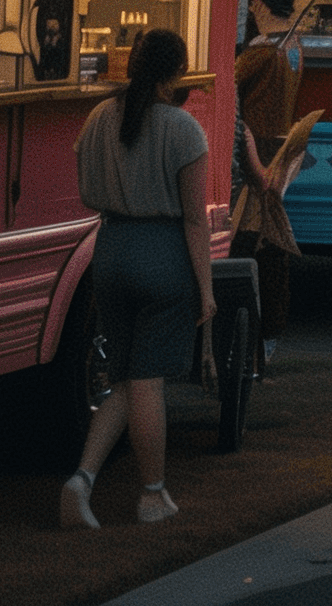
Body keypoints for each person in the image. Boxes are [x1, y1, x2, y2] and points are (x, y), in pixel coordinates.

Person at [59, 31, 214, 529]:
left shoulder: (100, 116)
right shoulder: (183, 128)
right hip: (162, 253)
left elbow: (86, 190)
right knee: (148, 381)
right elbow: (195, 218)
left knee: (125, 378)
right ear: (178, 72)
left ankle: (81, 479)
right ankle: (152, 495)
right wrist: (206, 290)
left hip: (109, 251)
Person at [230, 0, 302, 365]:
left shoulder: (261, 53)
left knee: (254, 248)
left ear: (258, 4)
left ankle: (257, 339)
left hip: (255, 158)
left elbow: (224, 86)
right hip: (282, 151)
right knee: (270, 243)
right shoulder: (293, 46)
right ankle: (267, 337)